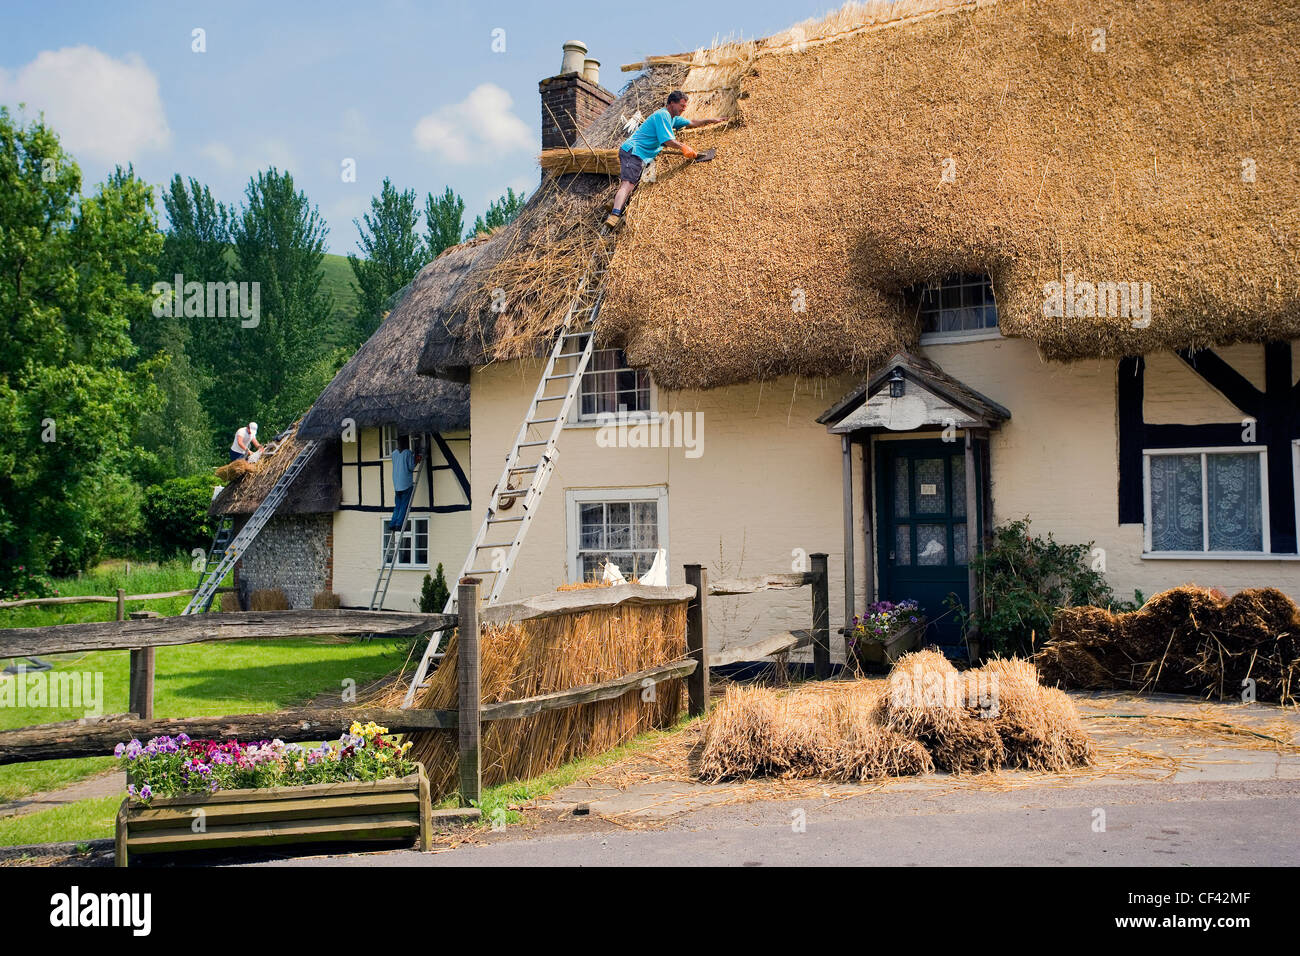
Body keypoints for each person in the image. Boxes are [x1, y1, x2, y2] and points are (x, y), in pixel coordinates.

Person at [603, 90, 724, 229]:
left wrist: (711, 120)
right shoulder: (662, 115)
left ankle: (614, 202)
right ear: (672, 103)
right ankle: (615, 215)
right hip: (634, 151)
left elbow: (692, 122)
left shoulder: (673, 119)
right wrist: (683, 147)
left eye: (685, 106)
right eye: (682, 106)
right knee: (628, 183)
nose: (684, 109)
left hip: (641, 154)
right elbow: (667, 140)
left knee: (635, 181)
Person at [388, 434, 421, 537]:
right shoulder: (407, 453)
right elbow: (411, 467)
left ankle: (393, 523)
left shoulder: (394, 454)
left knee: (397, 505)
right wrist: (415, 459)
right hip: (406, 483)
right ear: (406, 443)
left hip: (397, 484)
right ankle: (399, 524)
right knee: (403, 505)